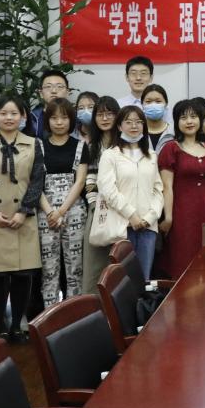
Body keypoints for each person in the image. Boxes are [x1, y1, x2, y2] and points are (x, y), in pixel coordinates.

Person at [0, 95, 45, 344]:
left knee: (22, 276)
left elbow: (37, 180)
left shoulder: (34, 144)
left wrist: (24, 210)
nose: (8, 117)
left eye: (14, 113)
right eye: (3, 113)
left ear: (23, 117)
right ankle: (0, 324)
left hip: (23, 218)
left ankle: (17, 324)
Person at [96, 105, 164, 278]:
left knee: (144, 278)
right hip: (122, 226)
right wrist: (131, 215)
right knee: (123, 280)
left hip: (148, 226)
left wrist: (150, 217)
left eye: (138, 122)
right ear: (119, 126)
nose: (134, 126)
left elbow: (158, 189)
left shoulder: (151, 155)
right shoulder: (110, 155)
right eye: (128, 122)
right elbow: (108, 190)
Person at [37, 98, 87, 309]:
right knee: (48, 268)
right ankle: (49, 315)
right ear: (47, 120)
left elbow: (80, 181)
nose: (59, 122)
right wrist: (51, 212)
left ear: (71, 120)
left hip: (74, 211)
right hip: (45, 212)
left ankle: (74, 313)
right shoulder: (38, 146)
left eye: (64, 117)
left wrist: (62, 211)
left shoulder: (81, 146)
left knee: (75, 266)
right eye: (54, 118)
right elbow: (35, 182)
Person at [158, 100, 205, 278]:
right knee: (182, 258)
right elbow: (167, 186)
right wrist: (168, 217)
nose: (189, 121)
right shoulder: (171, 148)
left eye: (193, 116)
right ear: (176, 122)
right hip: (181, 214)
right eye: (183, 118)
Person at [81, 96, 122, 291]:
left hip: (123, 210)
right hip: (99, 208)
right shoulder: (91, 146)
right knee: (94, 264)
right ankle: (93, 304)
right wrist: (93, 203)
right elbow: (89, 178)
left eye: (109, 114)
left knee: (119, 262)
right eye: (100, 114)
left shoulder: (126, 144)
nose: (105, 118)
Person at [29, 69, 70, 137]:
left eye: (59, 86)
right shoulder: (32, 118)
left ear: (67, 93)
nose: (54, 91)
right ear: (41, 93)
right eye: (48, 87)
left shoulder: (76, 118)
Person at [140, 83, 175, 152]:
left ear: (166, 104)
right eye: (148, 101)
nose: (153, 105)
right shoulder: (137, 131)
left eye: (158, 101)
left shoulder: (174, 132)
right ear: (142, 105)